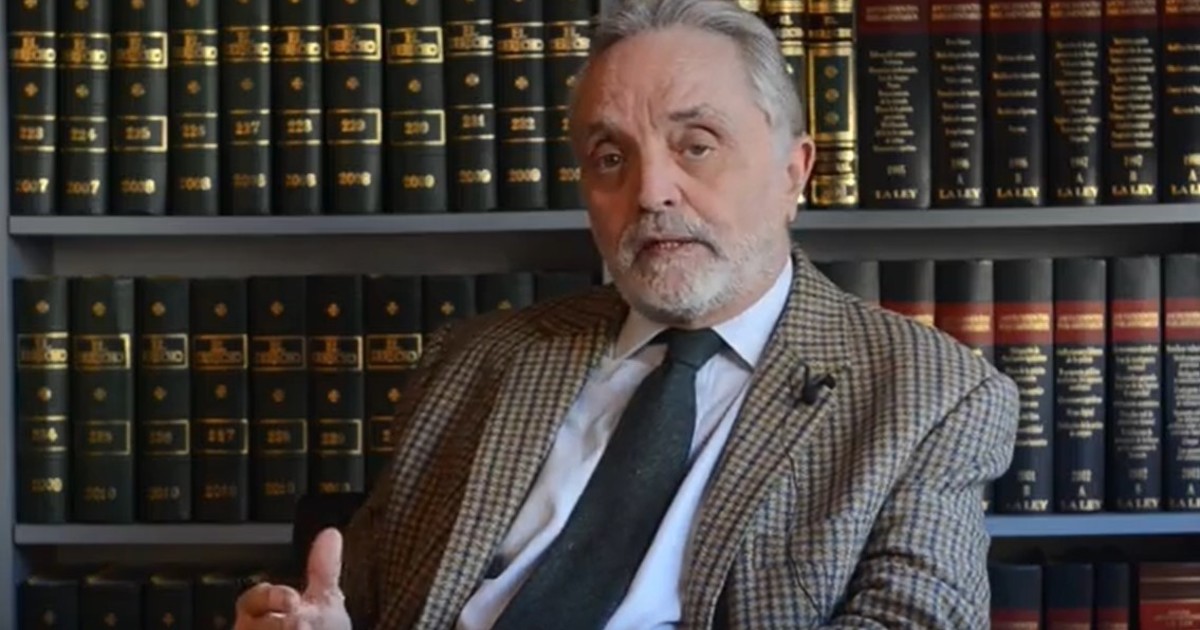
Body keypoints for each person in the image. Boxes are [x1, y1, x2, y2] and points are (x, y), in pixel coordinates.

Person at [234, 0, 1020, 627]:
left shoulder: (928, 393)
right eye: (611, 158)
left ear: (794, 172)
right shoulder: (475, 359)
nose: (650, 192)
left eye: (696, 145)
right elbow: (364, 599)